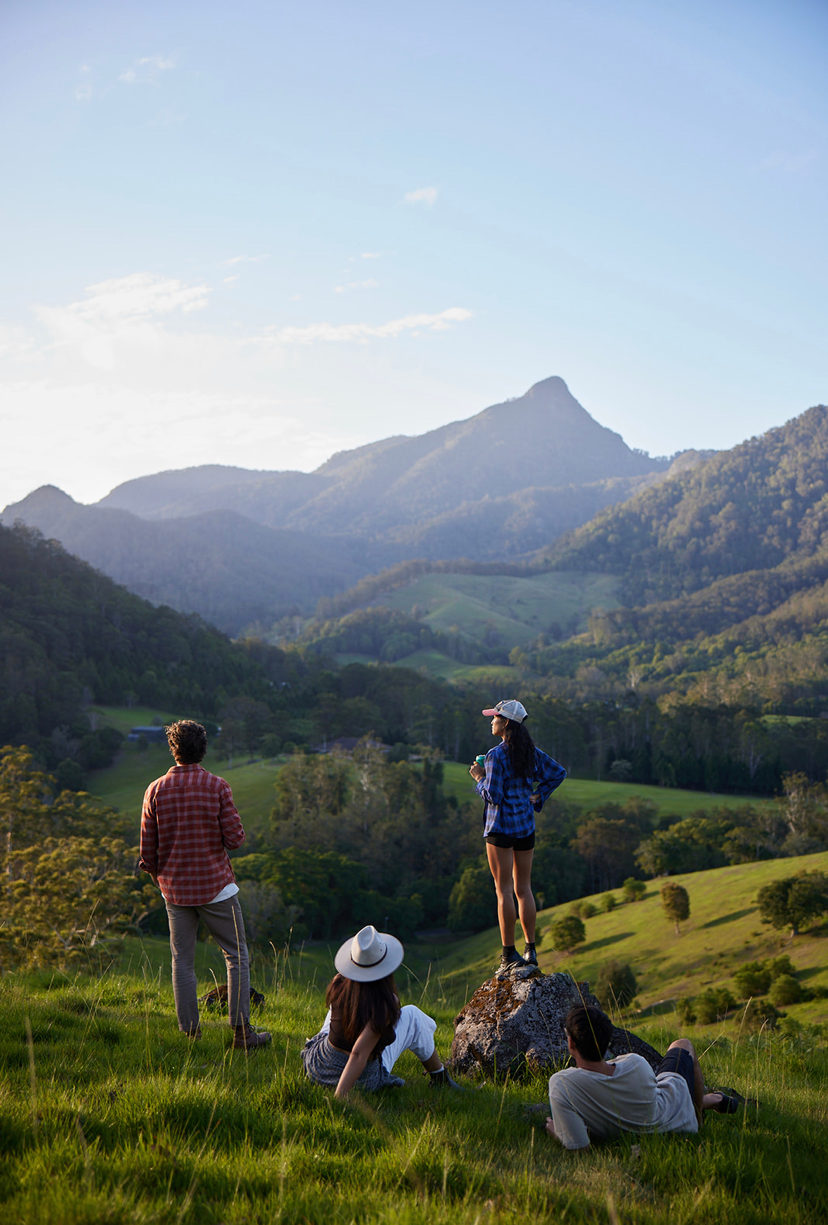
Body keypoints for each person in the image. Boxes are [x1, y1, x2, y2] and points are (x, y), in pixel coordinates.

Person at [139, 719, 271, 1051]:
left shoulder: (154, 790)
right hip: (217, 887)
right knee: (237, 956)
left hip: (175, 891)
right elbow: (236, 839)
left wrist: (163, 879)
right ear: (203, 749)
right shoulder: (218, 787)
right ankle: (242, 1034)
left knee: (181, 959)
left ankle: (190, 1034)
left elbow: (147, 853)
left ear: (173, 749)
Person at [545, 1004, 741, 1150]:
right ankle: (699, 1116)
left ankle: (709, 1101)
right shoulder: (634, 1063)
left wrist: (559, 1134)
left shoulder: (563, 1085)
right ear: (608, 1040)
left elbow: (581, 1150)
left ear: (571, 1043)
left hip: (653, 1116)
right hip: (674, 1117)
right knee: (683, 1045)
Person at [301, 924, 460, 1098]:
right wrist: (340, 1096)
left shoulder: (339, 981)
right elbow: (358, 1054)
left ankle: (439, 1074)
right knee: (414, 1016)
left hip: (320, 1068)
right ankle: (440, 1077)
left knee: (338, 1011)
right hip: (358, 1079)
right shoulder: (385, 1005)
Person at [469, 699, 566, 977]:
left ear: (506, 723)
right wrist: (538, 796)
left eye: (495, 717)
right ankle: (531, 950)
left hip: (499, 829)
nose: (491, 721)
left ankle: (508, 954)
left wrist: (479, 778)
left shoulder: (495, 755)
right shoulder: (531, 753)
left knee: (503, 891)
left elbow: (493, 796)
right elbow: (558, 773)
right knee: (524, 889)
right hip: (525, 828)